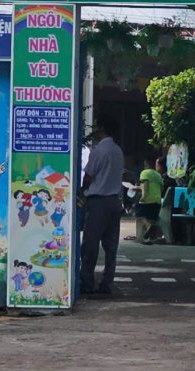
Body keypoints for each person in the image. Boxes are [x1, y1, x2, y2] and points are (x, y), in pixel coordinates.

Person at [79, 115, 125, 295]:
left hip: (98, 201)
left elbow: (89, 175)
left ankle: (87, 282)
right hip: (115, 200)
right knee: (111, 245)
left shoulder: (99, 151)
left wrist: (82, 191)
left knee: (90, 244)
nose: (95, 129)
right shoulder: (118, 151)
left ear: (103, 128)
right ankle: (107, 282)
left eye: (98, 126)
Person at [134, 159, 165, 244]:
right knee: (152, 218)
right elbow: (161, 188)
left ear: (145, 165)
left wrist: (143, 198)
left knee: (138, 214)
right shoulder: (158, 175)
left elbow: (146, 186)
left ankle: (148, 226)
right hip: (157, 201)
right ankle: (150, 238)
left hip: (148, 200)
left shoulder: (144, 173)